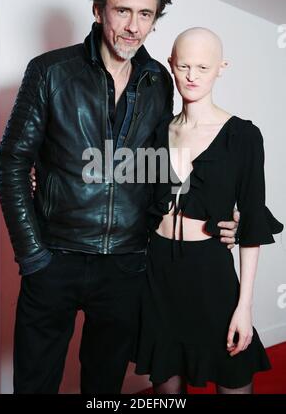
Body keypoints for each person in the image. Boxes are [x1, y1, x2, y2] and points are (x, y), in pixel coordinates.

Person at [0, 0, 238, 394]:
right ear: (98, 9)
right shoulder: (49, 71)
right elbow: (11, 163)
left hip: (126, 266)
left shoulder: (159, 81)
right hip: (54, 258)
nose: (132, 25)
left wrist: (217, 214)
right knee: (35, 384)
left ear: (154, 20)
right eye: (122, 10)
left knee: (105, 389)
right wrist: (33, 255)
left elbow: (163, 165)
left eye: (145, 14)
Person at [134, 27, 284, 394]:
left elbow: (250, 222)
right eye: (183, 65)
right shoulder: (156, 131)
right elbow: (127, 192)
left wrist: (244, 306)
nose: (191, 76)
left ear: (222, 67)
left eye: (202, 67)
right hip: (156, 272)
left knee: (232, 379)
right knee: (167, 386)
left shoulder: (243, 136)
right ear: (171, 65)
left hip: (210, 272)